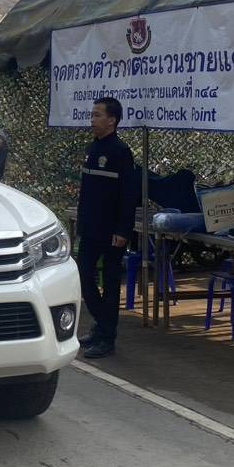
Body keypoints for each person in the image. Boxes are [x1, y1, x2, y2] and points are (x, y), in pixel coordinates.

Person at [76, 96, 137, 359]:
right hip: (90, 227)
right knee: (84, 275)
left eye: (98, 115)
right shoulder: (92, 148)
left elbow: (128, 195)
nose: (93, 119)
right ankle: (102, 325)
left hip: (112, 231)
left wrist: (123, 230)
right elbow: (87, 192)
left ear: (112, 120)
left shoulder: (120, 151)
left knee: (110, 282)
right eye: (92, 114)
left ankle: (107, 337)